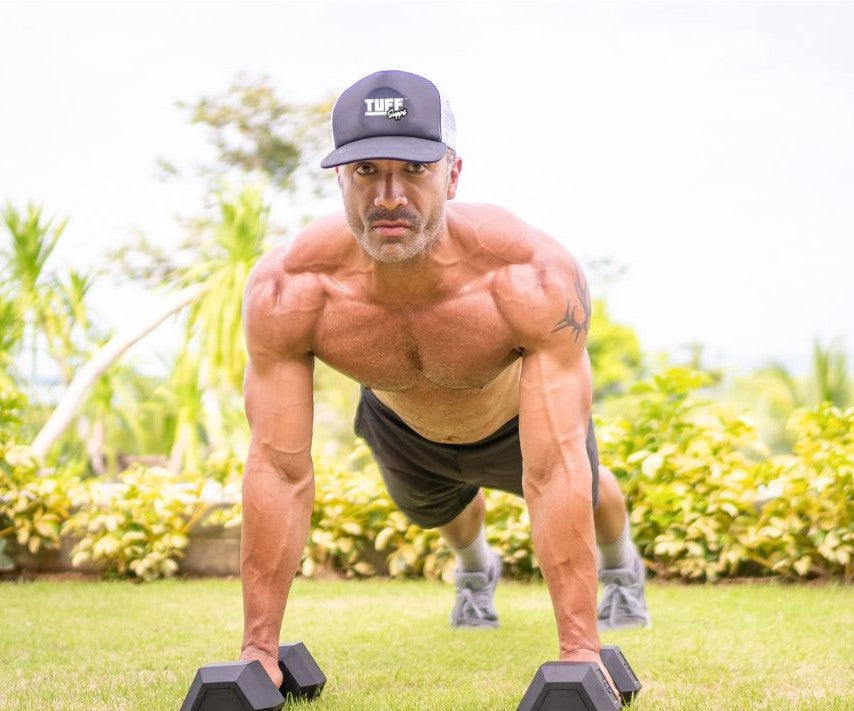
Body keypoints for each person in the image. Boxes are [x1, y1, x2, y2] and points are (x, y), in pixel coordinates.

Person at [238, 69, 649, 693]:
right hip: (402, 429)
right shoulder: (290, 289)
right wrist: (257, 653)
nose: (389, 197)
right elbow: (277, 468)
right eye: (367, 172)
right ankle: (475, 571)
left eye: (415, 171)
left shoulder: (528, 274)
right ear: (339, 179)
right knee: (447, 515)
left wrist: (579, 652)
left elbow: (555, 465)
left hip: (515, 423)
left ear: (453, 175)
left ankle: (624, 571)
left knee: (593, 491)